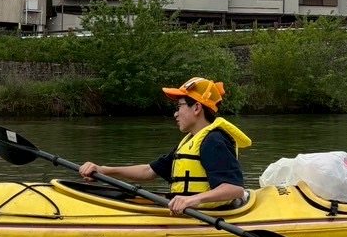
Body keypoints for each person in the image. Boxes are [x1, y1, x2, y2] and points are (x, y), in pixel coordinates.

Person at [78, 77, 250, 216]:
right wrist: (103, 170)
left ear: (197, 107)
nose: (175, 113)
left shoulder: (214, 141)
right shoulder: (191, 141)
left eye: (179, 106)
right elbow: (149, 171)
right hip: (189, 211)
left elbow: (234, 189)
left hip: (209, 214)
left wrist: (193, 200)